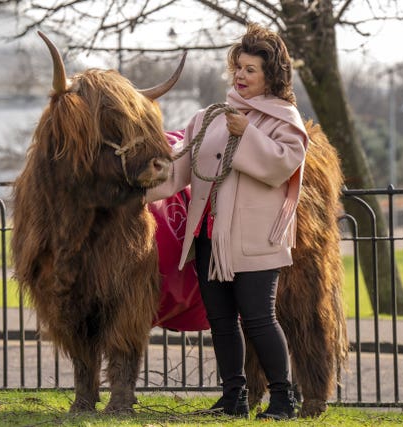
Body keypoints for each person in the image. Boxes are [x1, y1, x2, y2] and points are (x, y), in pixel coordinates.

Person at [147, 23, 308, 420]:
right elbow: (177, 172)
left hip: (255, 240)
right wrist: (132, 191)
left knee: (259, 318)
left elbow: (283, 165)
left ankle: (284, 399)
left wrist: (248, 133)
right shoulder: (208, 117)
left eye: (250, 69)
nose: (240, 75)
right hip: (207, 237)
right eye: (237, 67)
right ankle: (233, 397)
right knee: (220, 321)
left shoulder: (283, 118)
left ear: (271, 75)